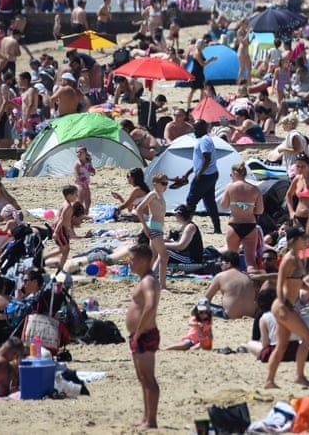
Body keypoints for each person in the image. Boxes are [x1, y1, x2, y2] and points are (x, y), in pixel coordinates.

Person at [265, 226, 309, 389]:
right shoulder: (289, 259)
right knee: (307, 337)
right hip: (283, 305)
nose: (306, 241)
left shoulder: (296, 258)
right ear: (294, 241)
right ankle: (299, 377)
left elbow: (298, 282)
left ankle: (269, 381)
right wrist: (282, 304)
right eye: (303, 238)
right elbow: (279, 283)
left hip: (285, 305)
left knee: (282, 345)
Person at [126, 243, 161, 430]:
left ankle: (151, 420)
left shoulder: (148, 280)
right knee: (142, 378)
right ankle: (146, 417)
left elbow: (151, 305)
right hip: (139, 334)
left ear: (143, 260)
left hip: (145, 334)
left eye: (132, 260)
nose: (129, 263)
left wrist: (139, 331)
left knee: (148, 378)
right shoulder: (143, 279)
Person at [175, 120, 222, 234]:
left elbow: (207, 159)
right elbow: (199, 161)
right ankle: (217, 228)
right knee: (209, 202)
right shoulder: (204, 139)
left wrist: (199, 174)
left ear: (201, 129)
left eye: (195, 129)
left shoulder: (204, 140)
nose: (194, 131)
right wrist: (188, 173)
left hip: (205, 176)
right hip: (211, 174)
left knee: (191, 201)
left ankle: (186, 226)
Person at [220, 162, 264, 271]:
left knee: (232, 259)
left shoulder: (230, 187)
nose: (231, 177)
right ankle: (252, 279)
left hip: (234, 224)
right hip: (250, 225)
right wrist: (248, 207)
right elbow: (260, 210)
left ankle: (232, 279)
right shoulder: (255, 189)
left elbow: (223, 205)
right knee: (250, 260)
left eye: (231, 174)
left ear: (235, 173)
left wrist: (235, 203)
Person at [136, 173, 170, 290]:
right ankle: (162, 285)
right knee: (164, 256)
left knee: (154, 256)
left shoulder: (160, 195)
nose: (165, 186)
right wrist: (145, 227)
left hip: (158, 228)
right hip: (154, 228)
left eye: (166, 183)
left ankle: (144, 280)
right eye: (163, 183)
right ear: (155, 184)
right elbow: (139, 209)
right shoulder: (153, 194)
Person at [203, 251, 258, 319]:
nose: (220, 266)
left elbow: (206, 299)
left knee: (201, 304)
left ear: (228, 264)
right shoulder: (248, 277)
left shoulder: (220, 276)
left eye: (221, 263)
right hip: (250, 314)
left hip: (230, 315)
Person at [72, 146, 95, 212]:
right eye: (77, 152)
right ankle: (78, 213)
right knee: (80, 199)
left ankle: (86, 212)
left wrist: (92, 171)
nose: (78, 154)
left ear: (85, 153)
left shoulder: (88, 161)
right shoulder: (77, 164)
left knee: (88, 200)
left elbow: (90, 169)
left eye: (81, 152)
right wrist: (83, 184)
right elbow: (77, 175)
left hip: (86, 183)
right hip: (79, 183)